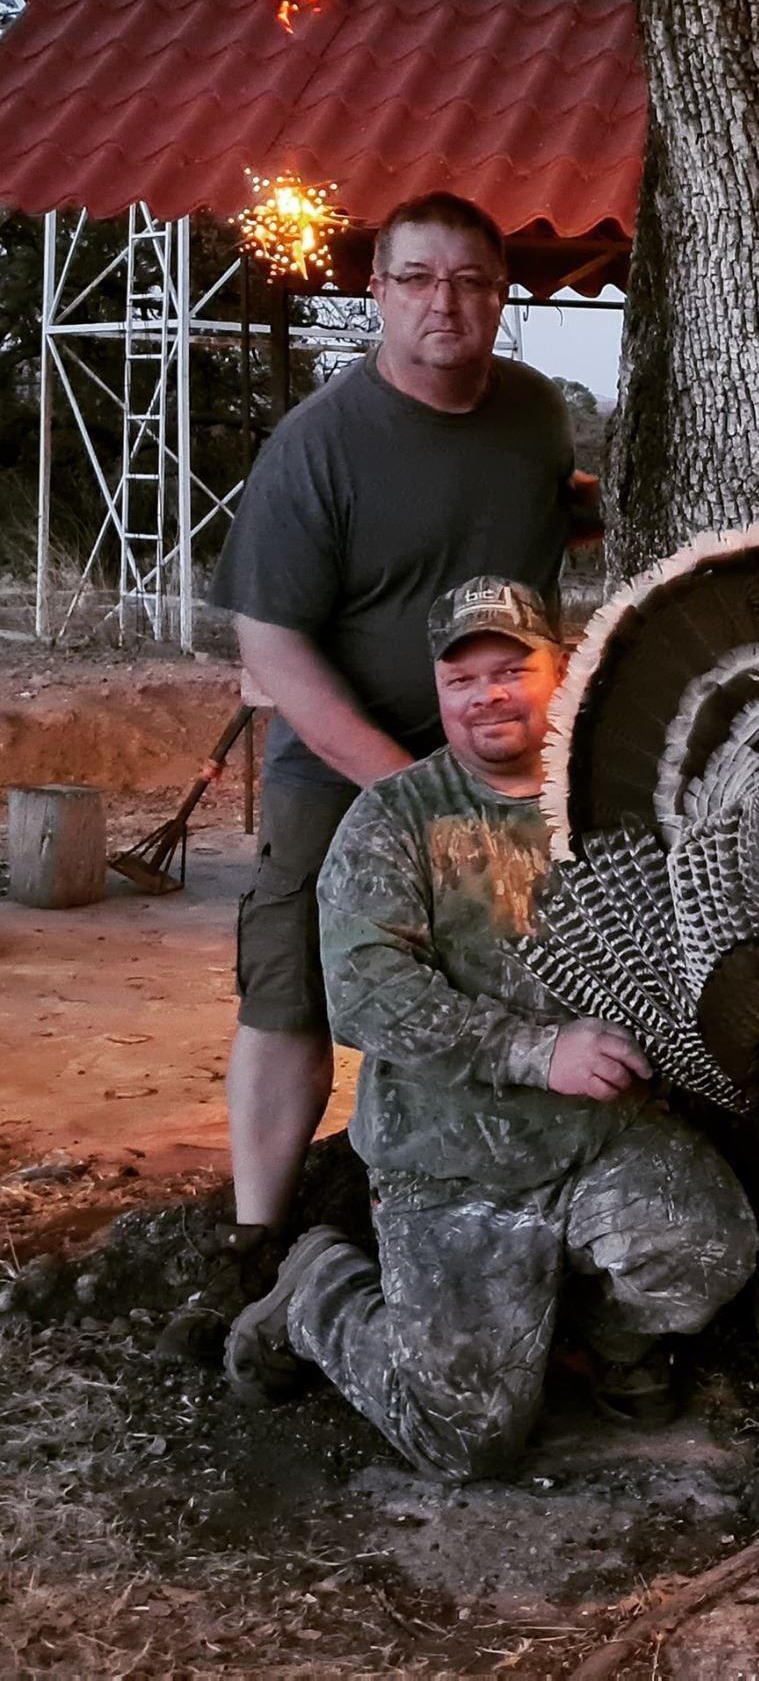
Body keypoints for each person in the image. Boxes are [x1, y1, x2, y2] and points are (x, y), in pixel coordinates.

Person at [163, 192, 589, 1361]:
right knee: (290, 985)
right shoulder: (318, 444)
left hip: (508, 761)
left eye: (471, 281)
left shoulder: (537, 418)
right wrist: (409, 790)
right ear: (378, 293)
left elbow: (559, 535)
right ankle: (258, 1240)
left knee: (529, 979)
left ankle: (524, 1209)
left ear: (500, 298)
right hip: (342, 764)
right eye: (417, 279)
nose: (444, 302)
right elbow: (271, 650)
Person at [224, 577, 759, 1479]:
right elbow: (364, 994)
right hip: (447, 1161)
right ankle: (319, 1290)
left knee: (710, 1245)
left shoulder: (614, 805)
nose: (488, 696)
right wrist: (539, 1051)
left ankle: (608, 1342)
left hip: (597, 1138)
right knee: (467, 1441)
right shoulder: (394, 818)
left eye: (511, 670)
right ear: (439, 691)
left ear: (559, 669)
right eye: (462, 679)